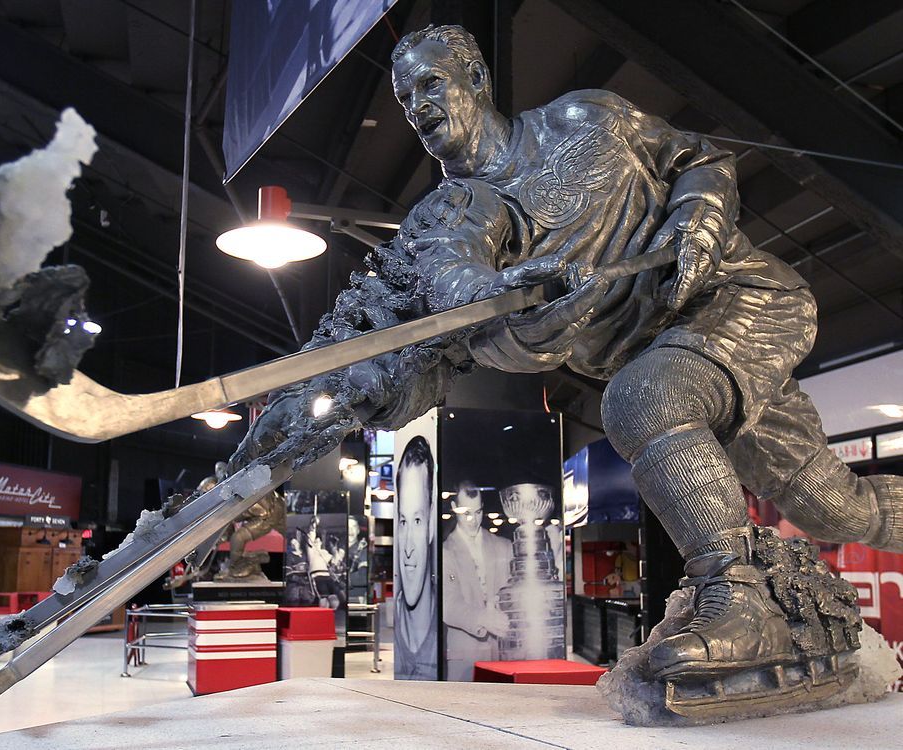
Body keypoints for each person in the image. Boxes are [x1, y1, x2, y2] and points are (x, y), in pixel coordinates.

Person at [386, 25, 902, 690]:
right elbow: (470, 310)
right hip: (678, 360)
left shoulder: (583, 118)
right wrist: (517, 304)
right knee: (841, 509)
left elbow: (698, 160)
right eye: (404, 100)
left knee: (641, 397)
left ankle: (738, 601)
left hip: (742, 303)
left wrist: (698, 223)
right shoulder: (449, 216)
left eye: (430, 85)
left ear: (476, 81)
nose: (418, 106)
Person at [442, 481, 512, 680]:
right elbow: (448, 604)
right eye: (466, 513)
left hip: (503, 655)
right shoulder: (445, 551)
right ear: (454, 508)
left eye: (478, 511)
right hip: (464, 659)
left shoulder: (504, 546)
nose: (473, 520)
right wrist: (483, 618)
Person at [394, 435, 438, 680]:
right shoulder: (396, 623)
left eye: (418, 521)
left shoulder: (447, 632)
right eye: (403, 521)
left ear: (431, 523)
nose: (408, 547)